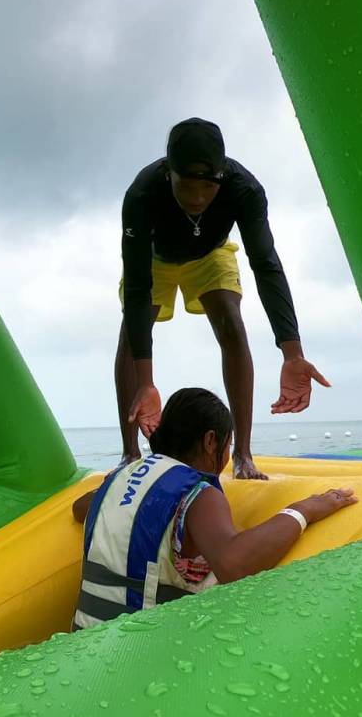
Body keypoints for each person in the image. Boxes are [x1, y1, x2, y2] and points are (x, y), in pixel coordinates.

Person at [117, 117, 329, 480]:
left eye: (209, 187)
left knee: (232, 323)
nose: (199, 198)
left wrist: (292, 353)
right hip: (155, 261)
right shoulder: (142, 194)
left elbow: (266, 265)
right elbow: (138, 287)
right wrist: (147, 381)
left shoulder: (243, 189)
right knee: (131, 340)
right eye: (188, 186)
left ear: (222, 175)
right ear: (169, 172)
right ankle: (129, 453)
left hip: (210, 254)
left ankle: (243, 455)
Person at [72, 388, 356, 630]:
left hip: (86, 638)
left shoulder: (122, 477)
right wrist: (305, 509)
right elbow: (233, 564)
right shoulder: (199, 493)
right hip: (139, 652)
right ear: (210, 441)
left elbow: (79, 508)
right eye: (228, 444)